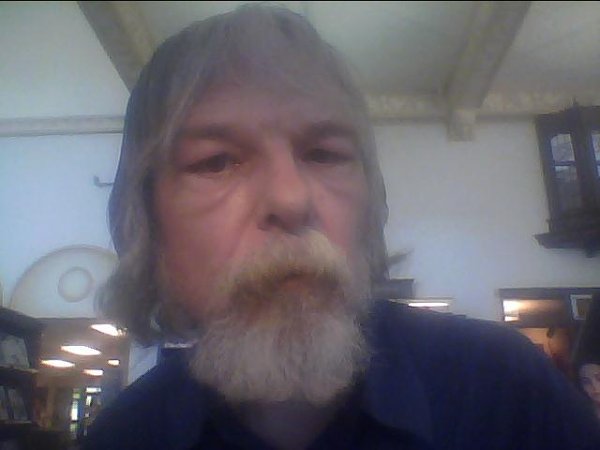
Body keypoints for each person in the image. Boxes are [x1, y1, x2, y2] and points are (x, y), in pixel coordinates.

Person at [85, 5, 600, 450]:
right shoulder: (126, 435)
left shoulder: (507, 392)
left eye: (324, 154)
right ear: (149, 222)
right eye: (217, 161)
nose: (291, 199)